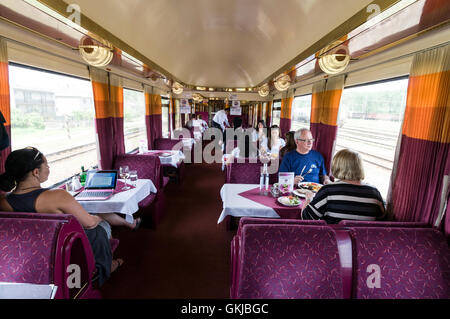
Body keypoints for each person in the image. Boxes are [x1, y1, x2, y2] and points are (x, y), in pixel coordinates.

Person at [0, 147, 138, 285]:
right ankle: (104, 268)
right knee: (102, 226)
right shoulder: (58, 196)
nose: (48, 168)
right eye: (46, 165)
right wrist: (99, 216)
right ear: (36, 172)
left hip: (25, 254)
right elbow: (90, 223)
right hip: (60, 249)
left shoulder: (3, 202)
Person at [301, 149, 386, 224]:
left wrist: (309, 199)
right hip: (363, 241)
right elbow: (381, 218)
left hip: (334, 240)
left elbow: (307, 218)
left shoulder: (328, 191)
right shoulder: (374, 193)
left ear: (337, 166)